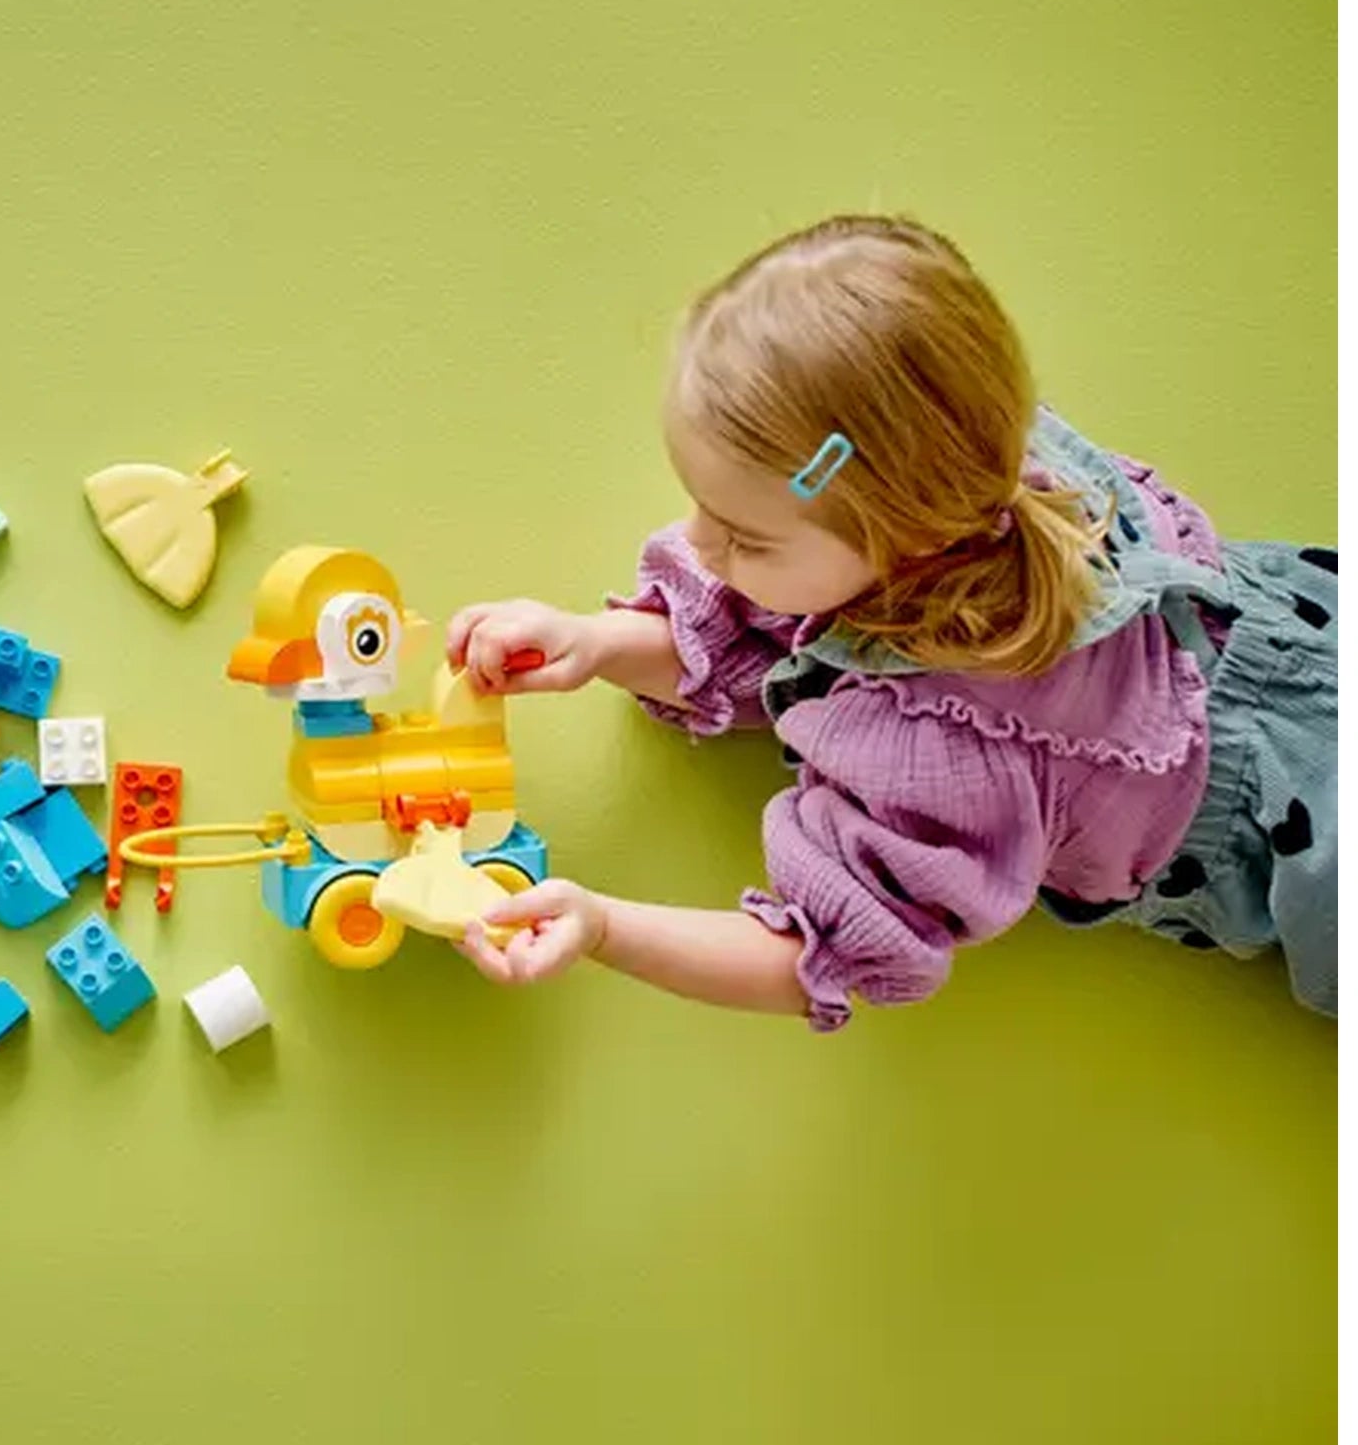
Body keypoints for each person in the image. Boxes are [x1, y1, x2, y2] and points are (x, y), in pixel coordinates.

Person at [445, 215, 1336, 1027]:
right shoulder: (966, 443)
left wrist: (604, 926)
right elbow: (796, 629)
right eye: (700, 505)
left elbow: (810, 956)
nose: (699, 546)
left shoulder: (953, 751)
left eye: (745, 536)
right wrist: (598, 644)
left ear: (906, 529)